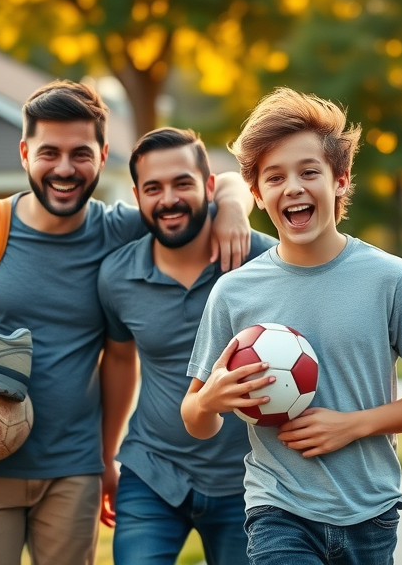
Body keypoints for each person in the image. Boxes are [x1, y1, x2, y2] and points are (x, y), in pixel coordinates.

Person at [0, 80, 254, 565]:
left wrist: (230, 207)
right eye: (50, 152)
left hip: (75, 470)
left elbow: (221, 182)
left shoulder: (121, 231)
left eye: (80, 153)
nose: (65, 168)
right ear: (24, 153)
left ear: (103, 156)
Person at [180, 87, 402, 565]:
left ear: (341, 180)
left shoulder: (389, 278)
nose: (293, 187)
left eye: (309, 171)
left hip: (369, 510)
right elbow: (195, 418)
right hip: (277, 507)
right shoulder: (234, 292)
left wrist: (353, 426)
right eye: (275, 177)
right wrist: (209, 399)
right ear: (256, 194)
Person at [97, 127, 277, 565]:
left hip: (251, 480)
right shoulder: (117, 276)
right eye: (153, 188)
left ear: (209, 186)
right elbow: (120, 362)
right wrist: (105, 457)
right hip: (152, 471)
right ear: (137, 195)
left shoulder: (266, 263)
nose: (169, 199)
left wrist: (235, 206)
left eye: (182, 183)